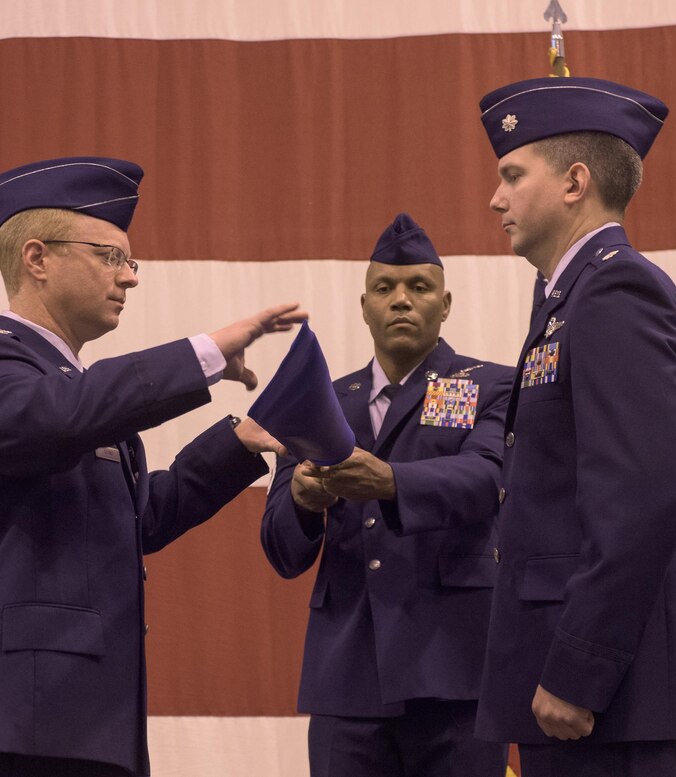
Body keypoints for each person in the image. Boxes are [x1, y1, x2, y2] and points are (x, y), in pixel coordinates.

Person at [0, 156, 306, 777]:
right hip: (16, 729)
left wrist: (240, 441)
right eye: (109, 257)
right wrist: (203, 353)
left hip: (86, 725)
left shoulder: (68, 389)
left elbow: (136, 519)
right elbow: (69, 415)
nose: (129, 278)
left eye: (129, 261)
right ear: (37, 259)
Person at [472, 78, 676, 776]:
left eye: (511, 175)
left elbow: (637, 500)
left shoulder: (616, 291)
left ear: (575, 181)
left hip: (615, 697)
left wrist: (578, 670)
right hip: (600, 693)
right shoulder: (572, 297)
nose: (495, 199)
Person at [261, 213, 514, 776]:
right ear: (364, 305)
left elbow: (488, 478)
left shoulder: (489, 385)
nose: (402, 300)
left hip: (455, 671)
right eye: (386, 288)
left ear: (445, 305)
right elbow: (281, 549)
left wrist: (391, 483)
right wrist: (302, 501)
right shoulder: (320, 401)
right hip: (348, 675)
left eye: (419, 287)